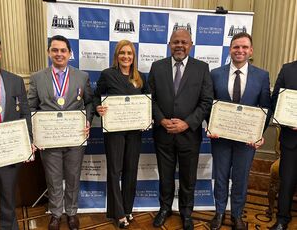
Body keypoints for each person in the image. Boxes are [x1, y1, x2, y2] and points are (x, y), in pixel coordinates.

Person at [148, 29, 213, 230]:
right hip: (163, 134)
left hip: (189, 135)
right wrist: (160, 120)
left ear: (191, 45)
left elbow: (206, 101)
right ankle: (164, 209)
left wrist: (187, 123)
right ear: (169, 44)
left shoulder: (202, 68)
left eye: (184, 42)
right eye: (176, 42)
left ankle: (186, 213)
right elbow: (150, 99)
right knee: (165, 177)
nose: (180, 45)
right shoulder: (157, 67)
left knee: (188, 178)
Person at [28, 35, 93, 230]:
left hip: (75, 137)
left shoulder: (82, 76)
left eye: (63, 50)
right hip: (49, 139)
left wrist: (88, 119)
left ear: (69, 53)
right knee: (53, 178)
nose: (59, 54)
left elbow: (89, 101)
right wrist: (35, 132)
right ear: (49, 52)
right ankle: (56, 214)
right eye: (55, 50)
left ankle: (72, 213)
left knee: (73, 177)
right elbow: (31, 107)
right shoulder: (37, 77)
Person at [208, 32, 271, 230]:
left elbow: (265, 109)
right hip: (221, 138)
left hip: (247, 141)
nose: (240, 51)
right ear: (230, 50)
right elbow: (209, 105)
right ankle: (219, 213)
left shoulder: (262, 76)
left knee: (241, 179)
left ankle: (236, 215)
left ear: (251, 51)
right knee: (220, 177)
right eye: (236, 47)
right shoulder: (215, 74)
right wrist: (211, 126)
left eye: (244, 47)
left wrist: (259, 134)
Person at [93, 40, 148, 228]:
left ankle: (127, 209)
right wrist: (97, 108)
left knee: (131, 170)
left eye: (129, 53)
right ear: (116, 56)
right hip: (114, 132)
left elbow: (148, 102)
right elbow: (94, 97)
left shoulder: (140, 77)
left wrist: (146, 119)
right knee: (115, 171)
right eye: (122, 53)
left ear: (134, 57)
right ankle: (118, 213)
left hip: (134, 132)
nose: (126, 56)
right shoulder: (108, 75)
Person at [0, 36, 35, 229]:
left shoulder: (15, 81)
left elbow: (26, 112)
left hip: (8, 151)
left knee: (7, 199)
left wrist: (28, 141)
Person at [270, 61, 297, 230]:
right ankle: (282, 219)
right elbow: (275, 100)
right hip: (291, 138)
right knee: (286, 181)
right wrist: (286, 119)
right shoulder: (288, 69)